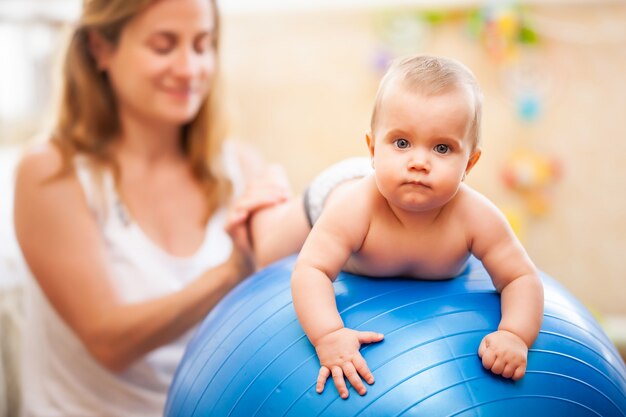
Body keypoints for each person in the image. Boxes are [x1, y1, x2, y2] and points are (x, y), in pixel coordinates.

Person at [13, 0, 288, 415]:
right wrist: (232, 271)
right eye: (163, 47)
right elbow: (109, 342)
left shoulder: (238, 166)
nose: (189, 69)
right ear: (100, 49)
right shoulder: (52, 172)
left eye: (202, 45)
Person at [275, 55, 544, 400]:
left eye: (442, 147)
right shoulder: (354, 209)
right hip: (333, 192)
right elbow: (310, 269)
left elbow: (520, 277)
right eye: (401, 143)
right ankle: (266, 204)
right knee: (269, 245)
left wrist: (515, 333)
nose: (418, 162)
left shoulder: (475, 217)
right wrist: (328, 334)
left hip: (381, 182)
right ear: (374, 148)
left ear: (470, 163)